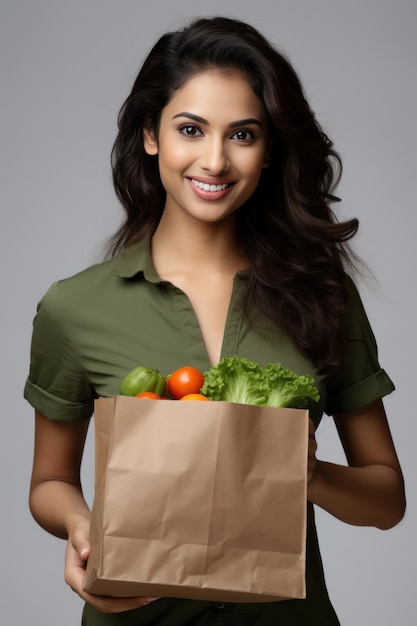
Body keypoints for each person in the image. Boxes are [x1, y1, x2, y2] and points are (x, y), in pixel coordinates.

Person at [24, 15, 406, 626]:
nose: (215, 159)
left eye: (243, 134)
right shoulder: (76, 308)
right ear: (151, 136)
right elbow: (48, 481)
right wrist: (81, 530)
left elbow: (387, 500)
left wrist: (307, 473)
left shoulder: (322, 294)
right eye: (191, 129)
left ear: (269, 149)